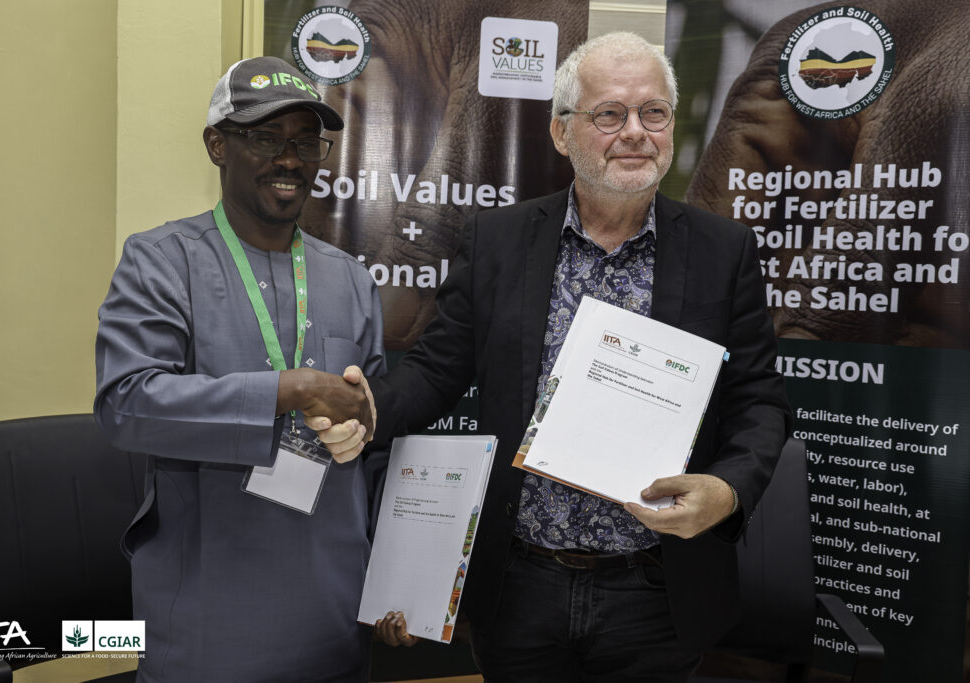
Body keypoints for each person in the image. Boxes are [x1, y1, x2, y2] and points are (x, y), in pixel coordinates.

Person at [327, 32, 792, 680]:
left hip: (656, 590)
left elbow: (760, 402)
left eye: (653, 112)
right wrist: (368, 408)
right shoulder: (499, 240)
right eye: (610, 114)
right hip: (520, 588)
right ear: (561, 132)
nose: (636, 132)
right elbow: (436, 370)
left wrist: (727, 490)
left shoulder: (723, 251)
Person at [94, 56, 383, 682]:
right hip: (209, 620)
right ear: (216, 146)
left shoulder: (352, 280)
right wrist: (291, 388)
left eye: (306, 142)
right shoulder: (160, 262)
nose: (290, 159)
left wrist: (364, 417)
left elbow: (376, 428)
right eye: (266, 138)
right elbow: (126, 404)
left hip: (335, 613)